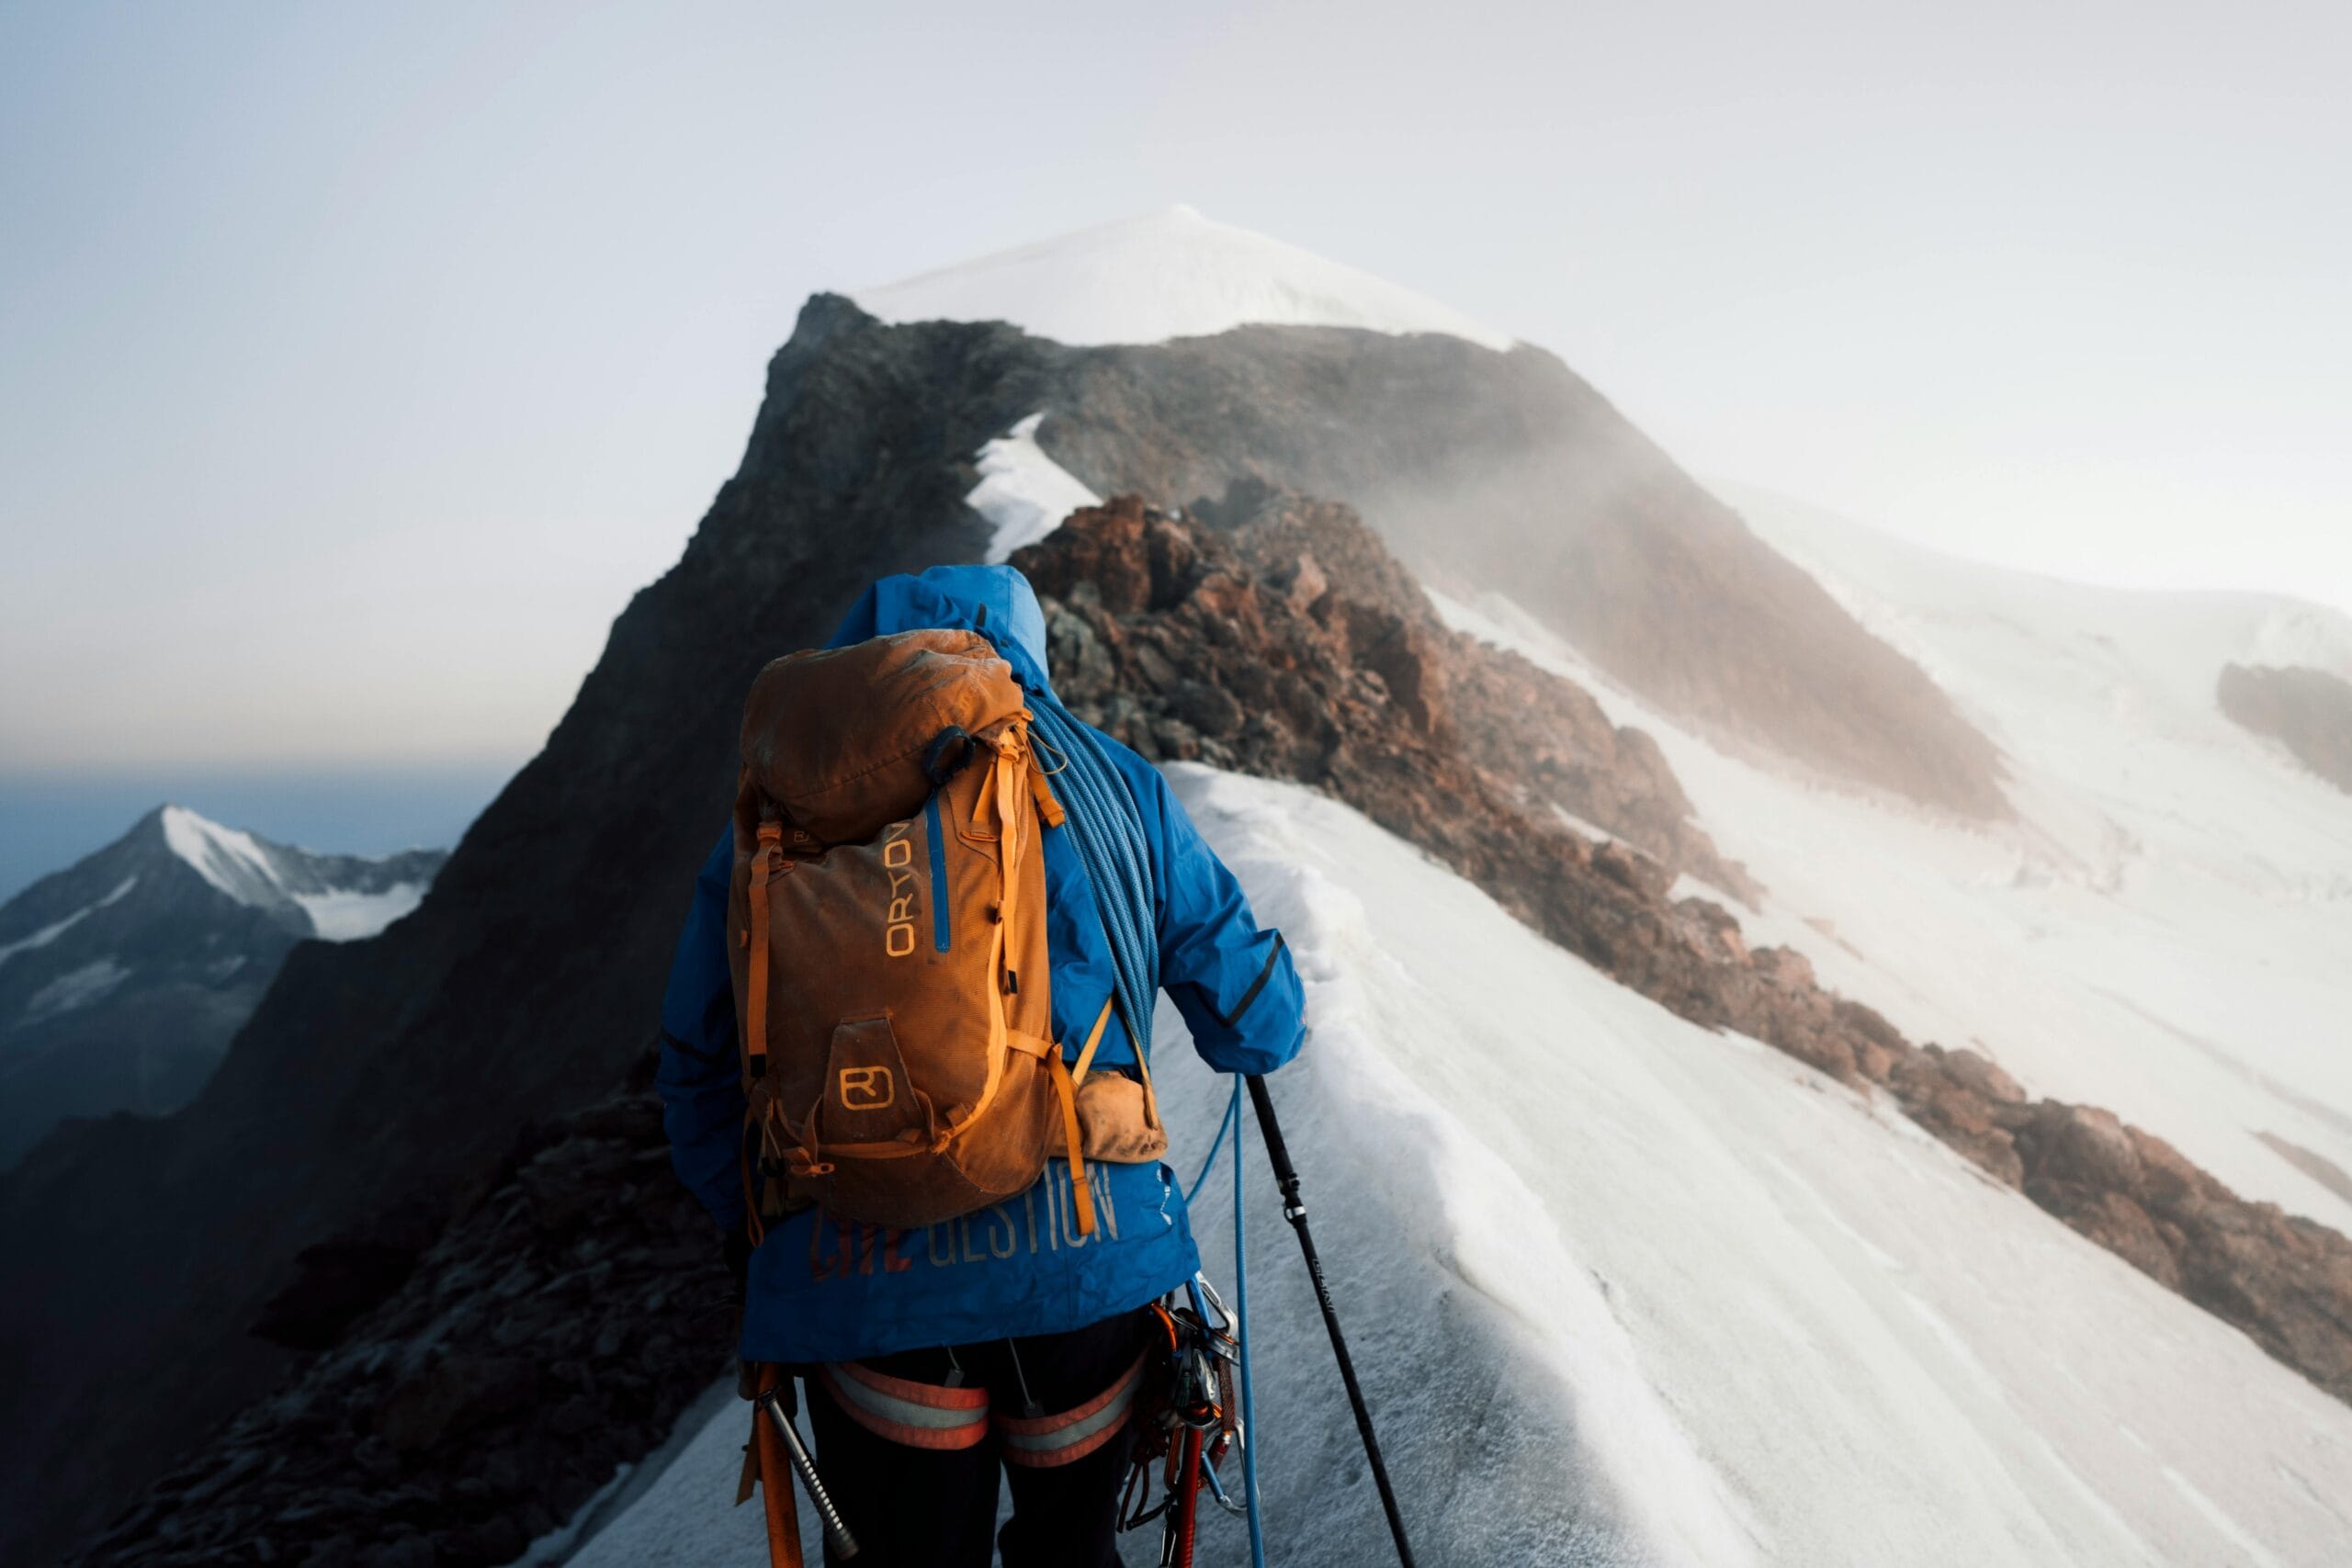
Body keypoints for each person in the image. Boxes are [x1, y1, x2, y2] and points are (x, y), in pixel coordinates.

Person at [656, 564, 1305, 1567]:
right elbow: (1255, 1028)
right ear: (1029, 651)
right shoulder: (1111, 779)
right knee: (1071, 1555)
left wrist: (759, 1233)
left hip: (855, 1276)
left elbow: (700, 1068)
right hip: (1086, 1263)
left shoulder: (783, 809)